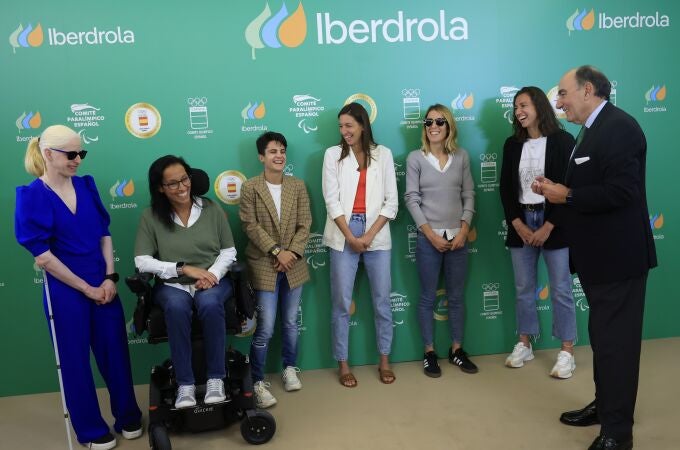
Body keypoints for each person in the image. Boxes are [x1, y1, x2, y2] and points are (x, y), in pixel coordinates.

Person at [535, 65, 657, 450]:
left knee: (617, 346)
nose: (558, 102)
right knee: (604, 341)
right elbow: (594, 186)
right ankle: (606, 408)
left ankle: (617, 434)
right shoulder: (592, 130)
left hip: (619, 259)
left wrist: (565, 196)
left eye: (564, 93)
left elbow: (622, 191)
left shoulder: (620, 127)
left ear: (588, 91)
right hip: (598, 260)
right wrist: (561, 189)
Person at [14, 125, 142, 450]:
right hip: (65, 292)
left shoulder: (87, 186)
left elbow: (104, 233)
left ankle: (128, 416)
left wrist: (109, 278)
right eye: (71, 154)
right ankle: (89, 429)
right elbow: (43, 256)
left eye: (81, 153)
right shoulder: (32, 196)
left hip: (104, 286)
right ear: (47, 154)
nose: (78, 160)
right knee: (74, 361)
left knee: (115, 352)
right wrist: (86, 288)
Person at [134, 155, 236, 409]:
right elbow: (142, 261)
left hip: (213, 280)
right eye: (173, 184)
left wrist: (211, 274)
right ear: (160, 187)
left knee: (210, 303)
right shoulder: (151, 217)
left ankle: (216, 379)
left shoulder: (211, 209)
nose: (182, 188)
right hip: (173, 285)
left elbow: (229, 251)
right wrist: (181, 268)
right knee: (177, 307)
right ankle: (186, 384)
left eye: (185, 179)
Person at [499, 87, 578, 379]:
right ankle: (525, 343)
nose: (518, 111)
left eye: (524, 105)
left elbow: (570, 189)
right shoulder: (511, 144)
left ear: (539, 107)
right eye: (516, 106)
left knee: (560, 288)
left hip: (553, 222)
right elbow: (506, 190)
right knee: (523, 289)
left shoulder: (563, 141)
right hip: (521, 220)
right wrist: (517, 224)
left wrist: (548, 225)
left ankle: (567, 350)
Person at [322, 102, 398, 387]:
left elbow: (392, 202)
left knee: (382, 301)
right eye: (341, 126)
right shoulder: (332, 155)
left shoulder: (384, 154)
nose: (344, 131)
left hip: (376, 231)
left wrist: (368, 236)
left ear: (363, 125)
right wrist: (351, 237)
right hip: (344, 230)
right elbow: (331, 200)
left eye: (349, 126)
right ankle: (343, 363)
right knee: (341, 302)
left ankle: (384, 360)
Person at [404, 104, 478, 378]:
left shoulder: (461, 157)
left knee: (457, 297)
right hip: (428, 240)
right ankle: (429, 352)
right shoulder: (415, 158)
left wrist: (463, 230)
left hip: (459, 238)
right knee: (426, 297)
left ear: (449, 126)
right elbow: (411, 199)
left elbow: (469, 194)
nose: (433, 126)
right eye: (428, 122)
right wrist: (430, 234)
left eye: (439, 121)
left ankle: (457, 350)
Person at [239, 131, 312, 408]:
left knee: (291, 322)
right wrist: (276, 251)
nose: (279, 155)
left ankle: (290, 367)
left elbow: (305, 223)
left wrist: (291, 253)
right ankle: (256, 381)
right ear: (261, 157)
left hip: (294, 263)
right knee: (265, 328)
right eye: (272, 151)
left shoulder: (298, 186)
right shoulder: (250, 187)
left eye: (282, 150)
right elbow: (249, 225)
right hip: (264, 264)